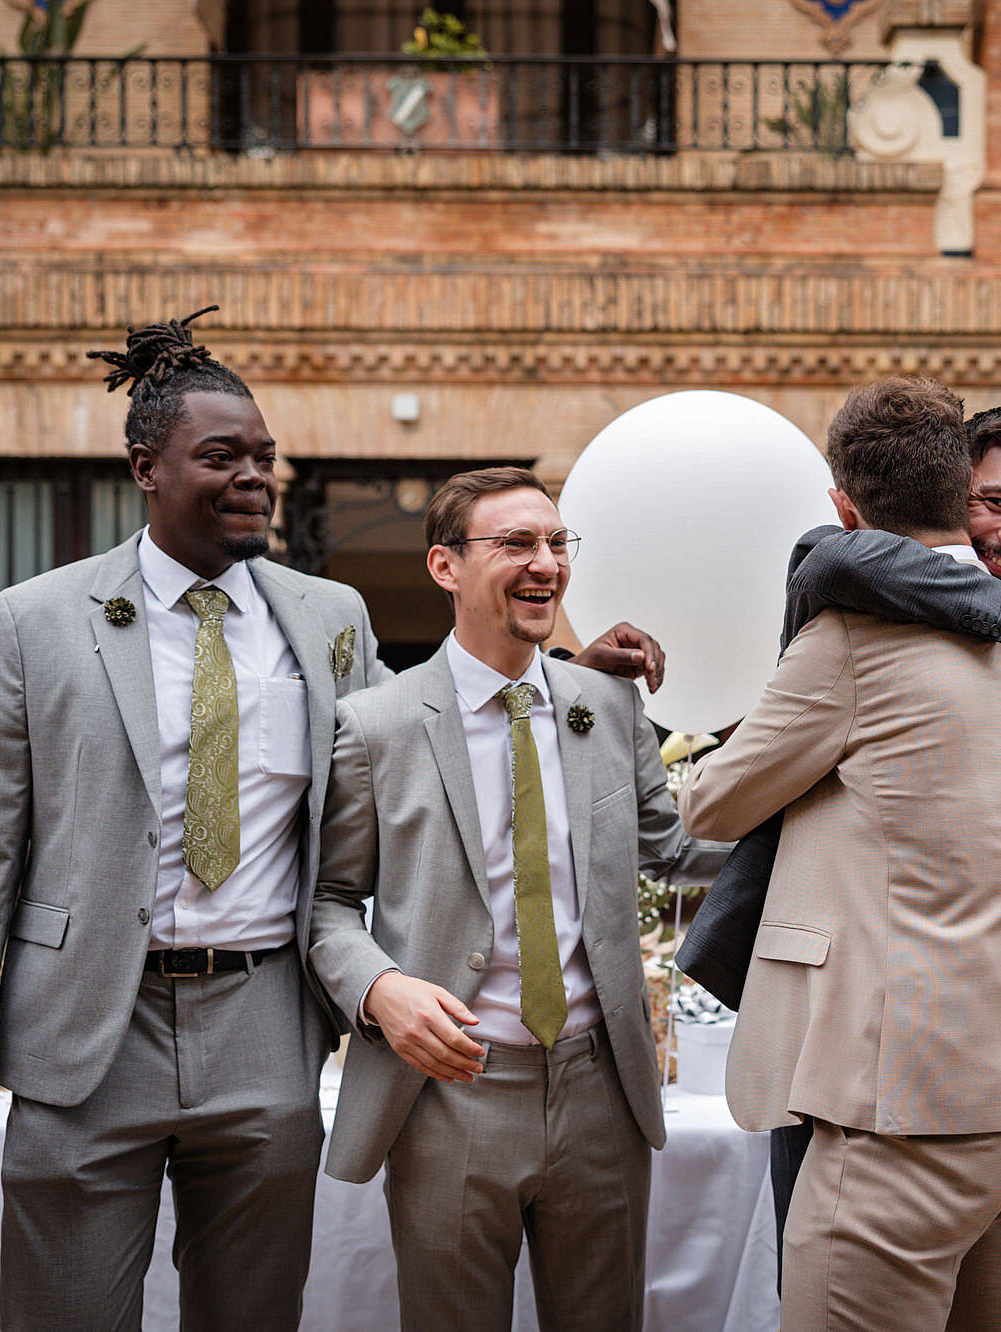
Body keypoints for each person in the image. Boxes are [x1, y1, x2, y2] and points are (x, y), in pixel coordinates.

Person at [0, 312, 665, 1329]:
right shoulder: (36, 619)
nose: (254, 477)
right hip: (85, 1032)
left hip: (264, 1022)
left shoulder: (328, 617)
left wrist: (566, 682)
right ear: (146, 469)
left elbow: (429, 731)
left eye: (263, 457)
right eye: (221, 457)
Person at [679, 378, 1001, 1330]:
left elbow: (709, 808)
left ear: (846, 508)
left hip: (905, 1100)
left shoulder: (854, 637)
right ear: (956, 495)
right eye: (998, 505)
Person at [308, 467, 728, 1332]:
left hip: (601, 1090)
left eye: (556, 542)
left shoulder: (607, 703)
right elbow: (328, 901)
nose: (546, 562)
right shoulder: (376, 726)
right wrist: (380, 989)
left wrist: (821, 796)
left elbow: (678, 847)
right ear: (445, 566)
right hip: (449, 1093)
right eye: (516, 543)